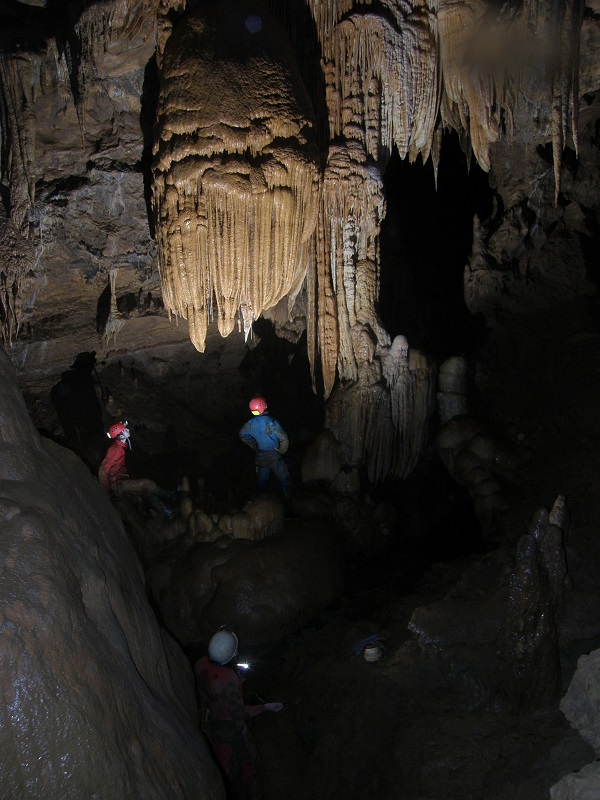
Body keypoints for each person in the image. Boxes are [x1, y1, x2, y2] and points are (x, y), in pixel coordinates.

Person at [194, 629, 283, 800]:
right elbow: (239, 714)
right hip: (231, 727)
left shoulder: (199, 664)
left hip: (211, 721)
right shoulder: (230, 680)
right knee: (250, 763)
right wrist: (265, 707)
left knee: (222, 760)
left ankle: (223, 789)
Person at [98, 421, 176, 518]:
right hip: (117, 484)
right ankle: (168, 494)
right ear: (121, 435)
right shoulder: (115, 450)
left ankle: (167, 511)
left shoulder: (121, 446)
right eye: (124, 429)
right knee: (146, 483)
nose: (127, 429)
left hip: (121, 479)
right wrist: (106, 490)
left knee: (146, 492)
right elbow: (103, 469)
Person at [239, 396, 291, 503]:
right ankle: (287, 504)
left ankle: (259, 505)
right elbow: (284, 437)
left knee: (262, 483)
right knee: (285, 481)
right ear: (264, 406)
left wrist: (253, 445)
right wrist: (282, 450)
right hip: (274, 457)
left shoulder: (250, 424)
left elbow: (242, 434)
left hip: (261, 458)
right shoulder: (271, 422)